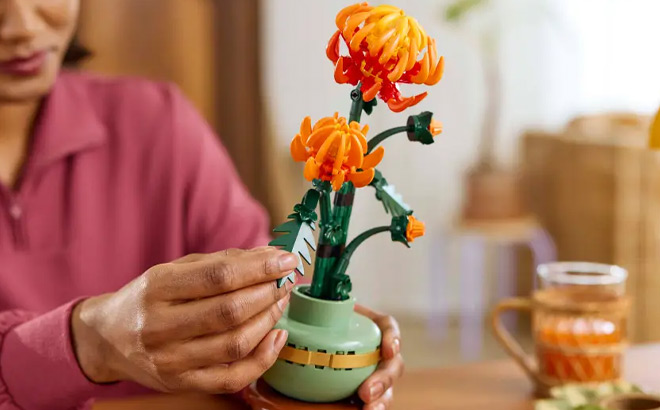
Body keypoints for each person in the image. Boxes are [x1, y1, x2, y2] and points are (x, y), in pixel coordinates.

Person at [0, 1, 404, 409]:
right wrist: (88, 343)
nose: (22, 26)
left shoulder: (157, 120)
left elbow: (267, 304)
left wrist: (311, 352)